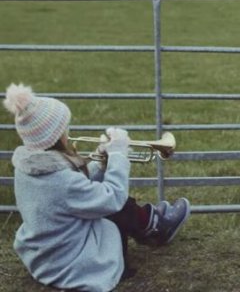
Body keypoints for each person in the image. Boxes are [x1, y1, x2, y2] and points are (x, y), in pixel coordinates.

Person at [3, 82, 191, 292]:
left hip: (45, 255)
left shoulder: (29, 166)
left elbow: (75, 188)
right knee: (120, 206)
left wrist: (102, 164)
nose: (68, 132)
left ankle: (150, 221)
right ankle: (154, 227)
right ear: (55, 136)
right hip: (70, 264)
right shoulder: (62, 181)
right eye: (65, 128)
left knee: (107, 199)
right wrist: (118, 156)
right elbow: (112, 198)